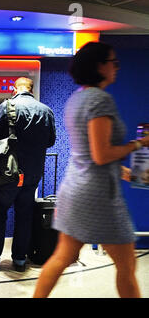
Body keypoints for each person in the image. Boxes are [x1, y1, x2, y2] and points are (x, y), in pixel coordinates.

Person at [33, 42, 149, 298]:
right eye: (113, 62)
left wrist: (123, 171)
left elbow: (89, 153)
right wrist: (139, 143)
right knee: (127, 264)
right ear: (99, 66)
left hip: (76, 190)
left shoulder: (78, 98)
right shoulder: (100, 99)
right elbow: (101, 154)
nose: (116, 67)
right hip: (98, 198)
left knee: (63, 256)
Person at [0, 77, 56, 272]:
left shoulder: (8, 105)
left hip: (7, 172)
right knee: (24, 215)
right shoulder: (46, 111)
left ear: (14, 89)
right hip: (32, 174)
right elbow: (51, 141)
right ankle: (20, 260)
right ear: (32, 89)